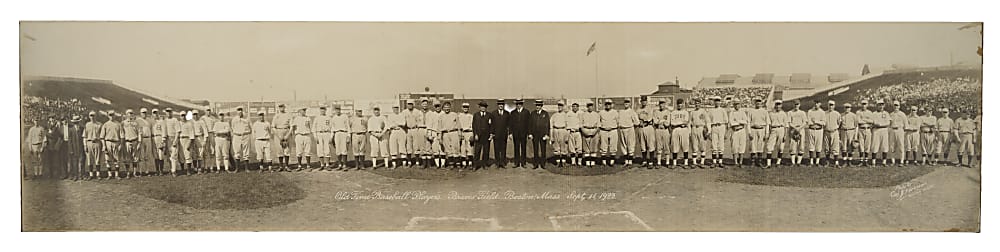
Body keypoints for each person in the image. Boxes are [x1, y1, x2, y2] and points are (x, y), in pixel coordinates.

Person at [101, 111, 124, 179]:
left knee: (117, 160)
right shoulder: (105, 124)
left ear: (115, 115)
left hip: (116, 142)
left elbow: (122, 136)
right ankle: (110, 174)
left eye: (112, 115)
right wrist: (104, 145)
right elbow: (102, 137)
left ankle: (116, 174)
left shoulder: (118, 124)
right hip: (108, 142)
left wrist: (121, 144)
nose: (111, 116)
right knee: (108, 159)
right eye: (110, 115)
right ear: (108, 116)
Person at [528, 100, 551, 169]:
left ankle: (543, 163)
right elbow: (530, 124)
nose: (537, 107)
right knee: (535, 149)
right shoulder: (533, 113)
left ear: (541, 106)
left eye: (539, 105)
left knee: (543, 149)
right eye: (537, 105)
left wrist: (547, 134)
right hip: (535, 134)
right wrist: (530, 133)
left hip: (543, 135)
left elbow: (547, 125)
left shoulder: (545, 114)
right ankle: (536, 163)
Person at [747, 99, 769, 167]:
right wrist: (749, 132)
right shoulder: (751, 111)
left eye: (759, 102)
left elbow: (767, 123)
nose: (758, 103)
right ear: (755, 103)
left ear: (761, 103)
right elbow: (748, 122)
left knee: (761, 146)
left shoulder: (765, 112)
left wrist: (767, 133)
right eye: (757, 102)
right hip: (753, 129)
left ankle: (759, 161)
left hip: (762, 129)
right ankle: (753, 161)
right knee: (752, 146)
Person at [765, 100, 788, 167]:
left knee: (781, 147)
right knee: (769, 147)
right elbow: (769, 124)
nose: (778, 106)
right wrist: (768, 133)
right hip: (773, 129)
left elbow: (786, 125)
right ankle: (768, 164)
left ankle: (778, 162)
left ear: (781, 105)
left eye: (779, 105)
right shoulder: (771, 113)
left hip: (781, 129)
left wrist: (785, 135)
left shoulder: (783, 114)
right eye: (777, 105)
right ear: (775, 105)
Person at [617, 99, 639, 167]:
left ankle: (630, 161)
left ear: (630, 103)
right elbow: (618, 121)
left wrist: (632, 127)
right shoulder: (621, 112)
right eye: (625, 102)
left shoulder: (632, 111)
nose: (626, 103)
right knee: (623, 145)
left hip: (630, 128)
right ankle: (626, 161)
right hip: (622, 129)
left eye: (627, 102)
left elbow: (637, 122)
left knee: (631, 145)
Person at [438, 103, 460, 168]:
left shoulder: (454, 115)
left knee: (455, 148)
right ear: (443, 108)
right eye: (445, 107)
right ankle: (451, 164)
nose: (447, 108)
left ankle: (458, 164)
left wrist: (460, 134)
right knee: (448, 149)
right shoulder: (441, 116)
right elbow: (439, 128)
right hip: (445, 133)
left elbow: (459, 125)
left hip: (454, 132)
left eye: (448, 107)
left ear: (450, 107)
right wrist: (440, 137)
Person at [671, 99, 693, 167]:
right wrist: (680, 123)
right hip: (675, 130)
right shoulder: (673, 112)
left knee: (685, 146)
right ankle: (674, 163)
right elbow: (672, 123)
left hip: (684, 130)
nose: (679, 105)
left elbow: (686, 122)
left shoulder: (686, 112)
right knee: (675, 146)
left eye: (681, 104)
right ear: (676, 104)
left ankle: (685, 163)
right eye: (678, 104)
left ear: (683, 104)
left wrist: (677, 123)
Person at [708, 97, 728, 167]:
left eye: (718, 101)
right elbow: (708, 121)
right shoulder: (711, 111)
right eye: (716, 101)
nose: (717, 102)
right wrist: (709, 131)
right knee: (714, 145)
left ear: (720, 102)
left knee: (721, 145)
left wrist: (725, 132)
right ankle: (714, 162)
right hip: (714, 127)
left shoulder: (723, 110)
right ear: (714, 102)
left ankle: (720, 161)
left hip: (721, 126)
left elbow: (726, 122)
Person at [490, 99, 511, 168]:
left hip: (504, 135)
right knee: (496, 149)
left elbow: (509, 124)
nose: (501, 106)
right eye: (499, 104)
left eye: (502, 104)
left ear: (503, 105)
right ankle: (497, 163)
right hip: (496, 134)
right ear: (497, 105)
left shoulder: (507, 113)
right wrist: (492, 133)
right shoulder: (493, 113)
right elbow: (492, 125)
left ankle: (502, 162)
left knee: (503, 149)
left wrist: (509, 133)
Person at [510, 99, 531, 168]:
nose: (518, 105)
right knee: (516, 148)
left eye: (519, 104)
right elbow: (511, 124)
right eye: (517, 104)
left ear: (522, 104)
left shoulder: (526, 112)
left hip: (523, 133)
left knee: (523, 148)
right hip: (515, 134)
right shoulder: (513, 113)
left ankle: (523, 162)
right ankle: (516, 162)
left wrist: (529, 133)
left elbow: (528, 124)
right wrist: (510, 133)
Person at [272, 104, 294, 170]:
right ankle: (281, 166)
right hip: (278, 132)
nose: (281, 108)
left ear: (284, 107)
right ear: (278, 108)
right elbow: (273, 127)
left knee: (287, 150)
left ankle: (287, 166)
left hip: (286, 131)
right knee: (279, 150)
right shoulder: (276, 116)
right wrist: (278, 136)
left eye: (282, 107)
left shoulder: (288, 115)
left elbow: (291, 126)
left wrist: (288, 135)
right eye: (280, 107)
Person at [598, 99, 620, 166]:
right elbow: (598, 122)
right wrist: (601, 127)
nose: (608, 105)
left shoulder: (615, 112)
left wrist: (614, 127)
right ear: (605, 105)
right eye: (606, 104)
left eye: (609, 104)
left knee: (613, 146)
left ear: (611, 105)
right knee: (603, 146)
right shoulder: (601, 112)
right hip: (603, 130)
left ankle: (612, 161)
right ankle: (604, 162)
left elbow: (618, 122)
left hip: (613, 130)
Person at [231, 108, 253, 172]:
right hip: (237, 136)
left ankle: (246, 168)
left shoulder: (247, 118)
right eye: (238, 110)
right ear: (237, 112)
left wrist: (246, 133)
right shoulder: (234, 119)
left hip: (245, 135)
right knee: (236, 152)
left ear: (242, 111)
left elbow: (251, 128)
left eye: (241, 110)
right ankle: (237, 168)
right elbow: (232, 128)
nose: (240, 111)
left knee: (246, 152)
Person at [122, 109, 142, 177]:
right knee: (127, 158)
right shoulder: (123, 123)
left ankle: (134, 172)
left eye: (131, 113)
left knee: (135, 158)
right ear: (126, 114)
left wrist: (139, 142)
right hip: (127, 142)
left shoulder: (136, 123)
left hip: (135, 141)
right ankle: (128, 172)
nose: (130, 115)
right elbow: (122, 133)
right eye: (128, 113)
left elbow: (139, 133)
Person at [729, 100, 749, 167]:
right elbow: (731, 122)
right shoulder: (731, 113)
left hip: (742, 131)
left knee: (742, 146)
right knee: (734, 146)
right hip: (734, 131)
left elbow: (745, 121)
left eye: (738, 104)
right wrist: (740, 122)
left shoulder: (742, 112)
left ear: (740, 105)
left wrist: (737, 121)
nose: (737, 106)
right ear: (734, 105)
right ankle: (735, 162)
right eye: (736, 104)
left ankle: (740, 162)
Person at [83, 111, 103, 179]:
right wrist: (85, 145)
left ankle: (98, 174)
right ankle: (91, 174)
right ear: (89, 116)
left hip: (97, 142)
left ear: (96, 116)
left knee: (97, 159)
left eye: (93, 115)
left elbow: (102, 135)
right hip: (89, 142)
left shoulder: (99, 124)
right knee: (89, 159)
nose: (92, 117)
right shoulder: (87, 125)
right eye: (91, 115)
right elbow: (84, 136)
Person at [689, 99, 709, 167]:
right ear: (694, 104)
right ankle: (694, 163)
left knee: (702, 146)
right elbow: (689, 122)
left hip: (701, 128)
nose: (697, 104)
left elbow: (708, 122)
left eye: (698, 103)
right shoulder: (692, 112)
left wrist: (708, 131)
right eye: (696, 103)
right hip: (694, 128)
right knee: (694, 146)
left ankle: (702, 162)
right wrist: (689, 131)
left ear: (700, 104)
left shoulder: (704, 112)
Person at [871, 100, 891, 166]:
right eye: (879, 105)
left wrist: (881, 124)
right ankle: (873, 162)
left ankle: (884, 162)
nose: (881, 106)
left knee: (885, 146)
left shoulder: (886, 113)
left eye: (882, 105)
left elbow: (888, 123)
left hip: (884, 130)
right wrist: (879, 124)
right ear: (877, 106)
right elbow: (874, 122)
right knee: (875, 145)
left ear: (884, 105)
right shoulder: (874, 114)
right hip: (876, 130)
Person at [787, 101, 807, 166]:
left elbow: (805, 122)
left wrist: (799, 128)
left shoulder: (802, 113)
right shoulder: (790, 112)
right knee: (792, 145)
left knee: (801, 146)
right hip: (793, 129)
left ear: (799, 105)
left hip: (801, 129)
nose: (796, 105)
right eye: (795, 104)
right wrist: (795, 128)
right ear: (793, 105)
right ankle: (793, 162)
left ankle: (798, 162)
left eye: (797, 104)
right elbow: (789, 122)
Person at [581, 102, 600, 167]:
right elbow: (581, 125)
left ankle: (592, 162)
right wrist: (584, 132)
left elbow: (598, 125)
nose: (590, 107)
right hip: (585, 130)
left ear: (593, 106)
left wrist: (595, 131)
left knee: (593, 148)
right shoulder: (583, 114)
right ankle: (587, 162)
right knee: (586, 148)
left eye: (591, 106)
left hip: (594, 130)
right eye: (588, 106)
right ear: (587, 107)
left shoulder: (596, 114)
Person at [888, 101, 908, 166]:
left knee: (901, 146)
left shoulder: (902, 114)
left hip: (900, 130)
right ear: (893, 106)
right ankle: (893, 161)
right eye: (895, 105)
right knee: (892, 146)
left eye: (897, 105)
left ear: (899, 106)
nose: (896, 107)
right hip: (892, 130)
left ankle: (901, 161)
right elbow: (889, 124)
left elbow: (906, 125)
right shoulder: (891, 114)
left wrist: (904, 132)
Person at [653, 100, 671, 167]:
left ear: (665, 104)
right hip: (658, 130)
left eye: (663, 103)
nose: (661, 105)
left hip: (665, 130)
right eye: (660, 103)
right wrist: (662, 121)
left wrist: (660, 121)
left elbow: (667, 123)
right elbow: (655, 122)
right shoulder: (656, 112)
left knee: (666, 146)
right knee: (658, 146)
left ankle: (667, 162)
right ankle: (658, 162)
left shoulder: (668, 112)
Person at [65, 115, 84, 180]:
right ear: (73, 123)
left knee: (81, 161)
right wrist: (71, 149)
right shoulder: (71, 130)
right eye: (75, 122)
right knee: (74, 162)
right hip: (74, 148)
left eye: (77, 122)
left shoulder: (82, 128)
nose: (76, 123)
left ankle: (81, 175)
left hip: (81, 147)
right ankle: (75, 175)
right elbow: (69, 141)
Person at [550, 101, 569, 167]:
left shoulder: (566, 115)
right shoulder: (554, 115)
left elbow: (568, 126)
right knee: (556, 146)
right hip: (555, 130)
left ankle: (563, 162)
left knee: (564, 147)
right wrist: (551, 136)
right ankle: (558, 162)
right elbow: (551, 126)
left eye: (561, 106)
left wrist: (567, 136)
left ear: (563, 107)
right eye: (559, 106)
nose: (559, 107)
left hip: (563, 130)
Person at [824, 101, 842, 166]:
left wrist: (836, 129)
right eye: (829, 105)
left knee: (835, 147)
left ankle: (836, 163)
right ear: (827, 105)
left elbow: (840, 123)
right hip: (826, 131)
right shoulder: (824, 113)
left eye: (832, 105)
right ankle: (827, 162)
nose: (831, 106)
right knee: (827, 147)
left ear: (834, 106)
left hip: (834, 131)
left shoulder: (837, 114)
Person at [856, 100, 874, 166]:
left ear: (867, 105)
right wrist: (867, 121)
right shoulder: (858, 112)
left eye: (865, 104)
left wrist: (864, 120)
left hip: (868, 129)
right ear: (861, 104)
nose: (864, 105)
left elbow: (872, 121)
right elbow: (858, 121)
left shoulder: (870, 112)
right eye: (863, 104)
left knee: (867, 145)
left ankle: (866, 161)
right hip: (861, 129)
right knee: (861, 145)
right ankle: (861, 161)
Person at [425, 103, 443, 168]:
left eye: (438, 106)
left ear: (441, 107)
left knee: (442, 149)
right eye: (436, 106)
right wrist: (429, 134)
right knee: (435, 149)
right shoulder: (431, 114)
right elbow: (429, 125)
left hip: (442, 133)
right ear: (434, 107)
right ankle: (438, 164)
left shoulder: (443, 113)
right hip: (434, 132)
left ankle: (443, 164)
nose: (437, 107)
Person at [178, 111, 196, 175]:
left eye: (184, 115)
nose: (183, 117)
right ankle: (182, 169)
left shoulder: (189, 123)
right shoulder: (178, 123)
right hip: (180, 140)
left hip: (187, 139)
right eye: (181, 115)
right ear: (180, 117)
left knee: (188, 155)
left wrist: (189, 142)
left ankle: (188, 170)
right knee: (181, 156)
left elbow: (192, 134)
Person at [137, 108, 154, 176]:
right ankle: (140, 171)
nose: (144, 114)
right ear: (140, 113)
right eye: (143, 113)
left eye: (145, 113)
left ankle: (147, 171)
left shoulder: (149, 120)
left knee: (147, 156)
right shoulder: (138, 120)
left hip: (148, 138)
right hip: (141, 139)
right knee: (141, 156)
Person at [151, 109, 167, 175]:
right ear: (152, 114)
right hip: (153, 138)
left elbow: (164, 131)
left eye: (156, 113)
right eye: (154, 113)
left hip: (160, 137)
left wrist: (163, 140)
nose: (155, 114)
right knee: (155, 155)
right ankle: (157, 170)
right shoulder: (151, 121)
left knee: (161, 155)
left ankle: (161, 170)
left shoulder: (162, 121)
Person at [458, 103, 475, 168]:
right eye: (464, 107)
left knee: (470, 148)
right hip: (462, 132)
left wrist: (472, 134)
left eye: (466, 107)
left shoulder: (471, 116)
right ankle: (464, 163)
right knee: (462, 148)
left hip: (469, 132)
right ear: (462, 108)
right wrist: (460, 134)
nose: (465, 108)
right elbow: (458, 125)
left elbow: (473, 126)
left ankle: (470, 163)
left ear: (468, 108)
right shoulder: (459, 116)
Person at [201, 108, 218, 172]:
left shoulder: (213, 118)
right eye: (207, 110)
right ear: (204, 111)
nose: (208, 112)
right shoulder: (202, 118)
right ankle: (205, 167)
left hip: (211, 134)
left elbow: (216, 126)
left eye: (209, 110)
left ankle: (211, 167)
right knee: (205, 152)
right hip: (205, 135)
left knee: (212, 151)